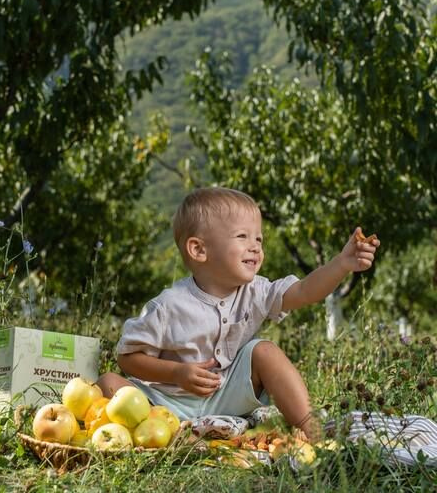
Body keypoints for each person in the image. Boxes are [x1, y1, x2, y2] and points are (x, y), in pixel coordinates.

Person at [97, 187, 380, 441]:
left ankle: (312, 429)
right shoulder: (169, 306)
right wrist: (177, 373)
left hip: (226, 396)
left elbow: (306, 291)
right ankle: (170, 433)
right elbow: (128, 358)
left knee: (264, 350)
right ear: (199, 249)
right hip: (165, 402)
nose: (255, 246)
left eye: (258, 238)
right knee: (108, 383)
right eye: (242, 236)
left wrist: (342, 264)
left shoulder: (257, 291)